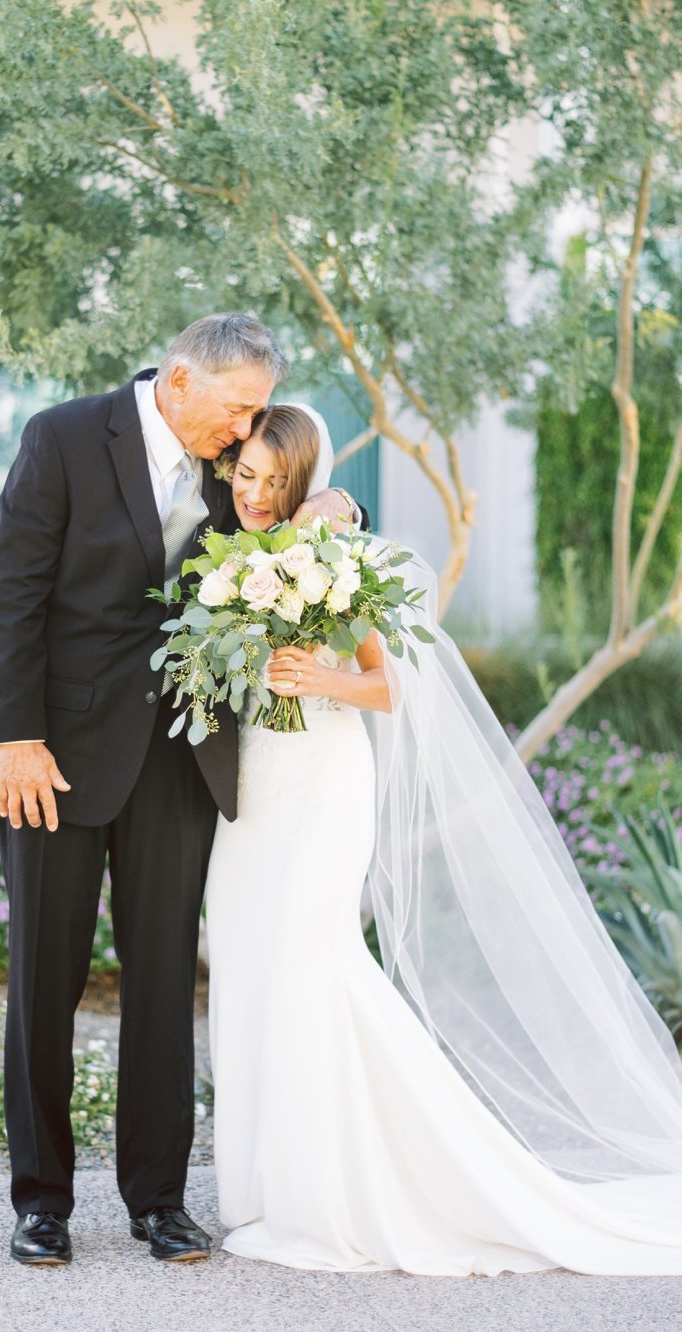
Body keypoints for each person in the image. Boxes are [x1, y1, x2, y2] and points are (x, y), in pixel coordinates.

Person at [205, 403, 682, 1275]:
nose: (256, 494)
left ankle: (344, 1190)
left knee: (317, 967)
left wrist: (319, 673)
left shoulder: (336, 555)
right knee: (246, 961)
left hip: (323, 786)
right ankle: (258, 1185)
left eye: (276, 481)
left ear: (306, 483)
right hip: (253, 794)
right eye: (246, 475)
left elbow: (387, 690)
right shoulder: (228, 554)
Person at [0, 313, 355, 1266]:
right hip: (55, 757)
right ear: (182, 381)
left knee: (160, 984)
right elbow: (13, 593)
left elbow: (294, 513)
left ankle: (159, 1201)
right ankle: (41, 1203)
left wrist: (332, 512)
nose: (246, 433)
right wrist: (15, 737)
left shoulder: (234, 462)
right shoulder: (62, 437)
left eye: (259, 414)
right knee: (44, 981)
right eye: (239, 410)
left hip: (181, 757)